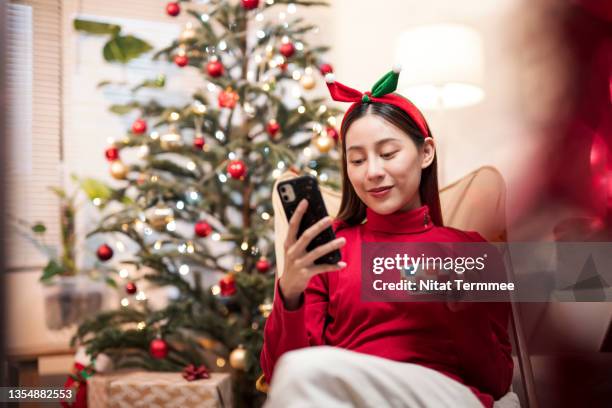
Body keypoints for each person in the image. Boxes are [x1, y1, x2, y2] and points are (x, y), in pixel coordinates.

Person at [259, 68, 514, 408]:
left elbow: (496, 382)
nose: (373, 172)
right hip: (346, 395)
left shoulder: (469, 250)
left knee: (305, 371)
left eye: (388, 153)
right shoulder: (332, 246)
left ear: (426, 153)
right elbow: (283, 378)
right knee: (300, 371)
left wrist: (462, 313)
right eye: (357, 160)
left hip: (442, 396)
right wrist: (290, 294)